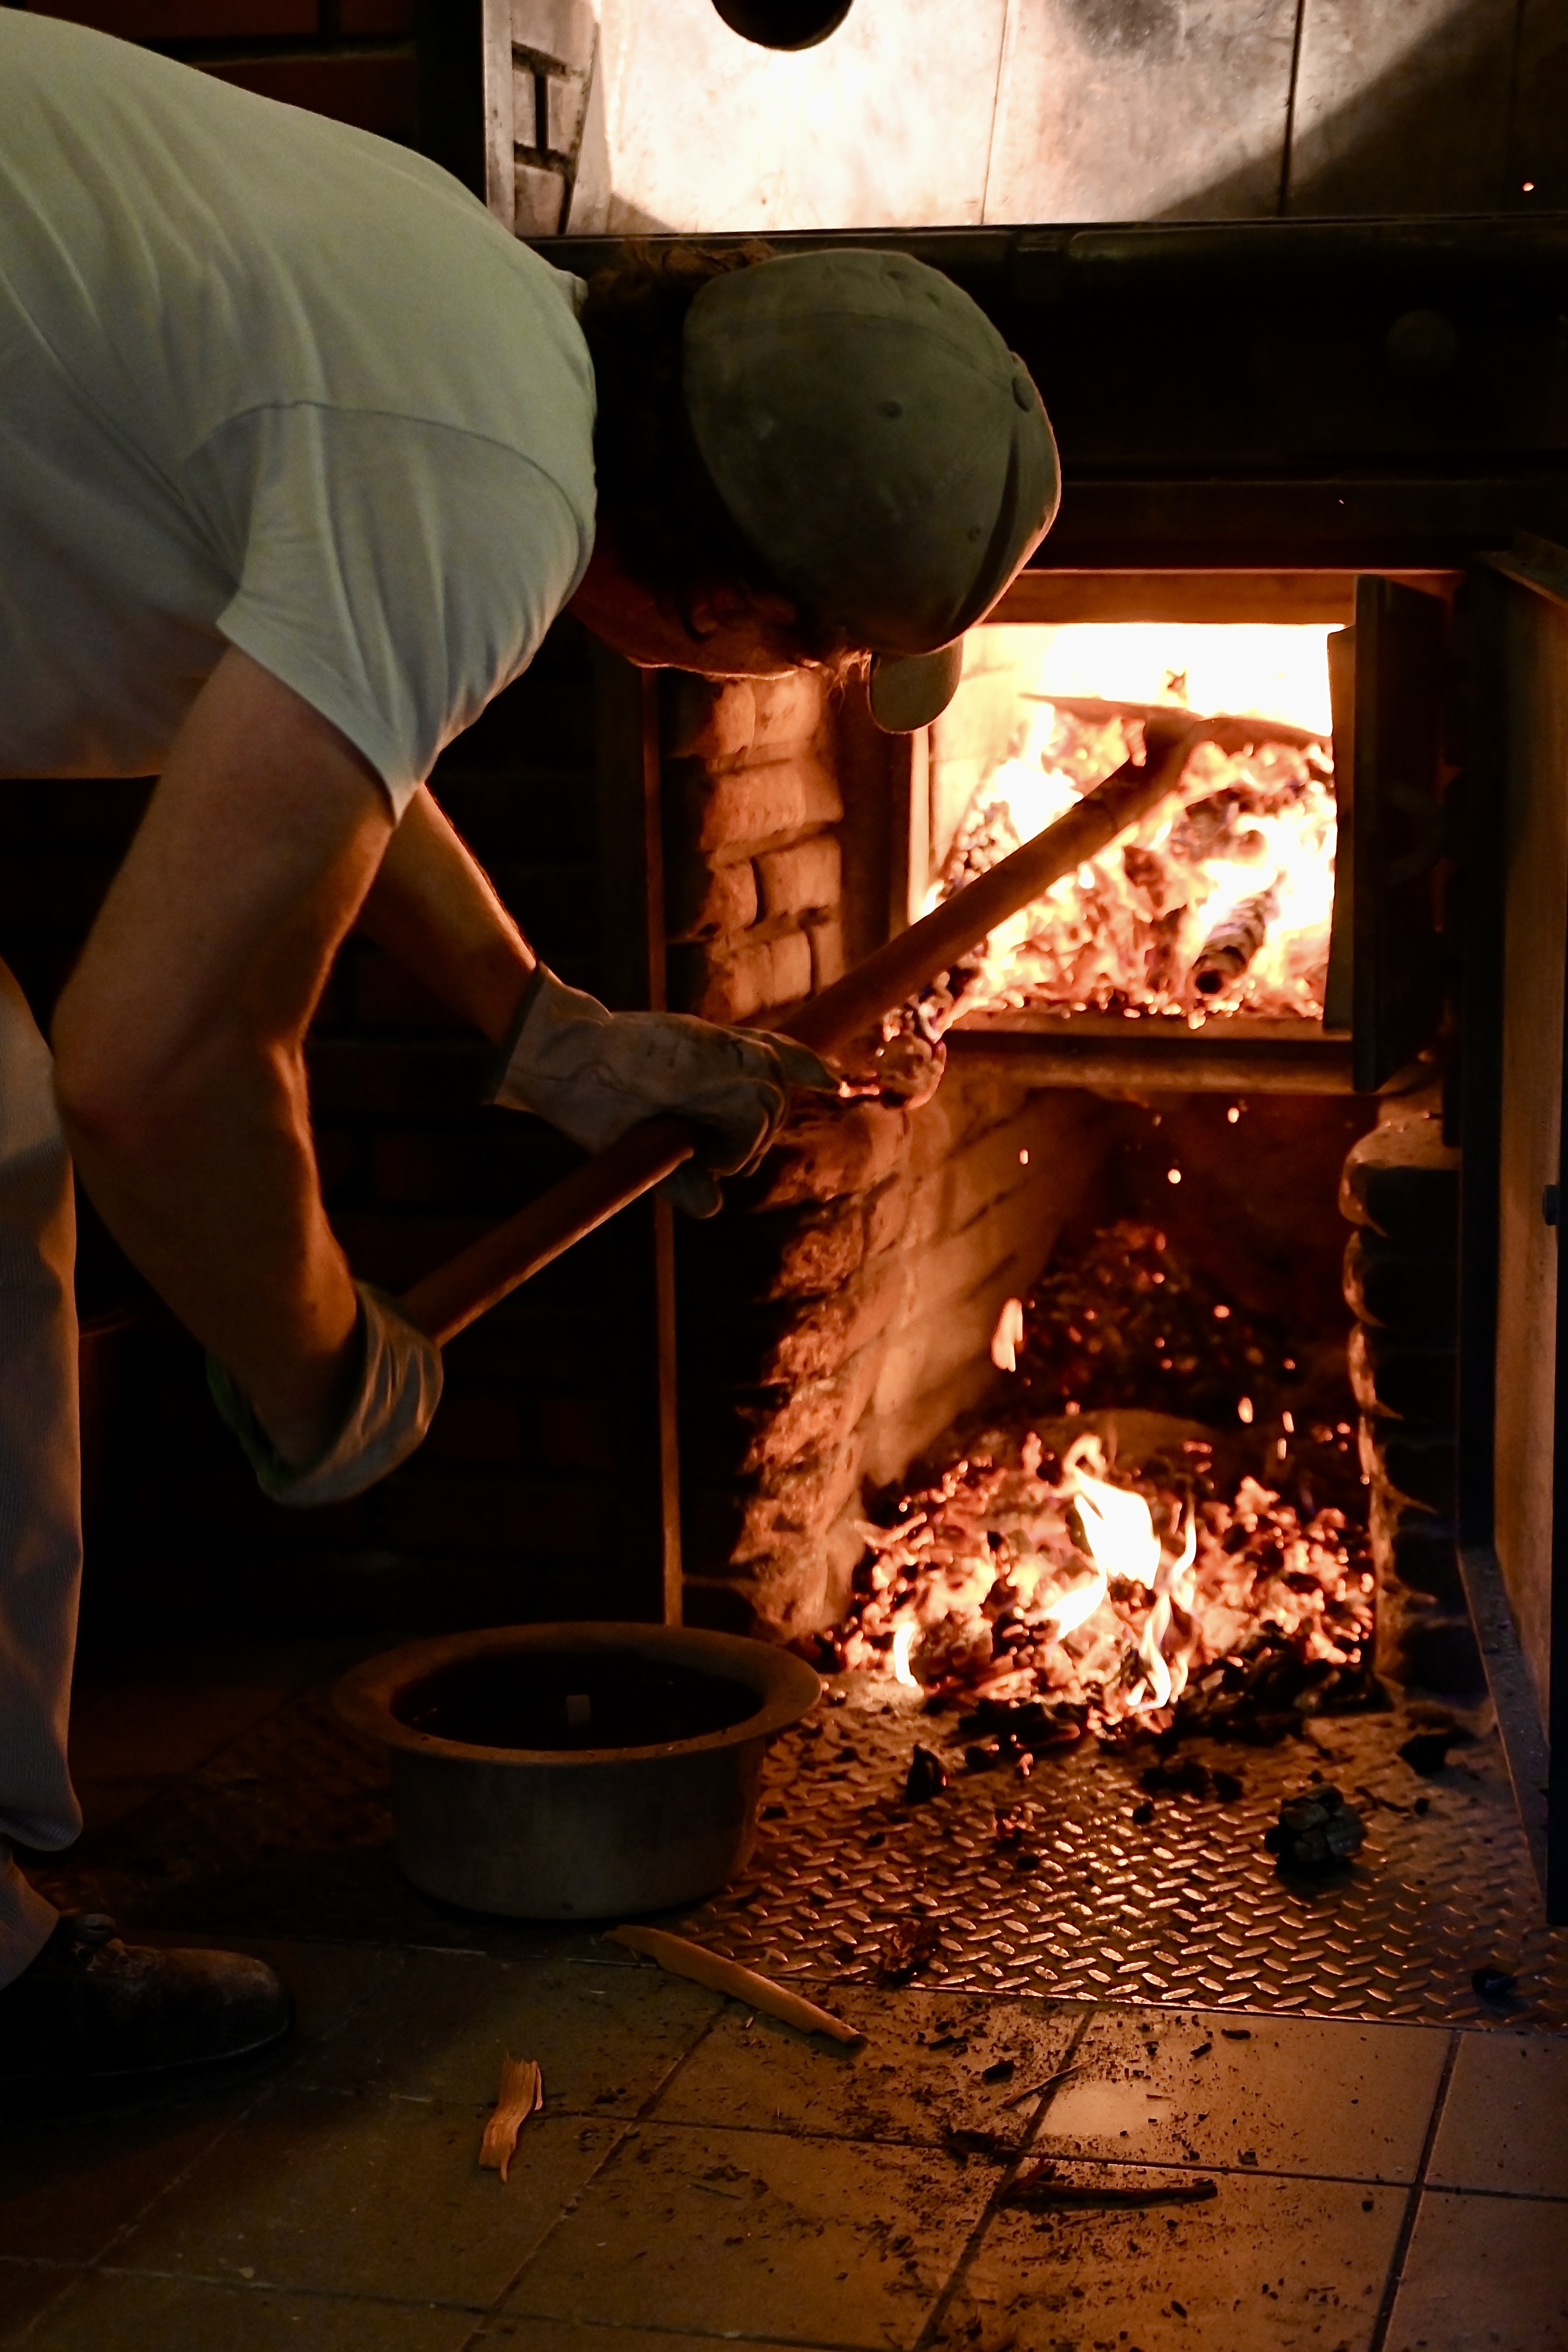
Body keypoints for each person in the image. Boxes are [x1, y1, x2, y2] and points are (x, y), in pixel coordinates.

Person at [0, 11, 1059, 2087]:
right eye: (829, 649)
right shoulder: (473, 487)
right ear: (733, 609)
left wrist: (541, 1029)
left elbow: (320, 727)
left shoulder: (477, 317)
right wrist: (323, 1369)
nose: (816, 678)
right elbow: (162, 1059)